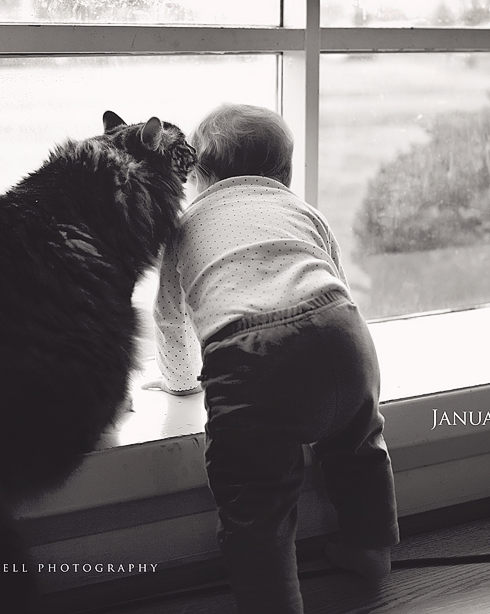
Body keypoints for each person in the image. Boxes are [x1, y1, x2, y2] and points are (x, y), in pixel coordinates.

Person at [145, 103, 398, 613]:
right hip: (343, 330)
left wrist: (178, 380)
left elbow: (171, 317)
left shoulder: (187, 225)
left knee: (255, 502)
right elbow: (337, 277)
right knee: (360, 444)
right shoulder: (302, 211)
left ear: (196, 175)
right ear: (284, 174)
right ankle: (372, 548)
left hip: (251, 357)